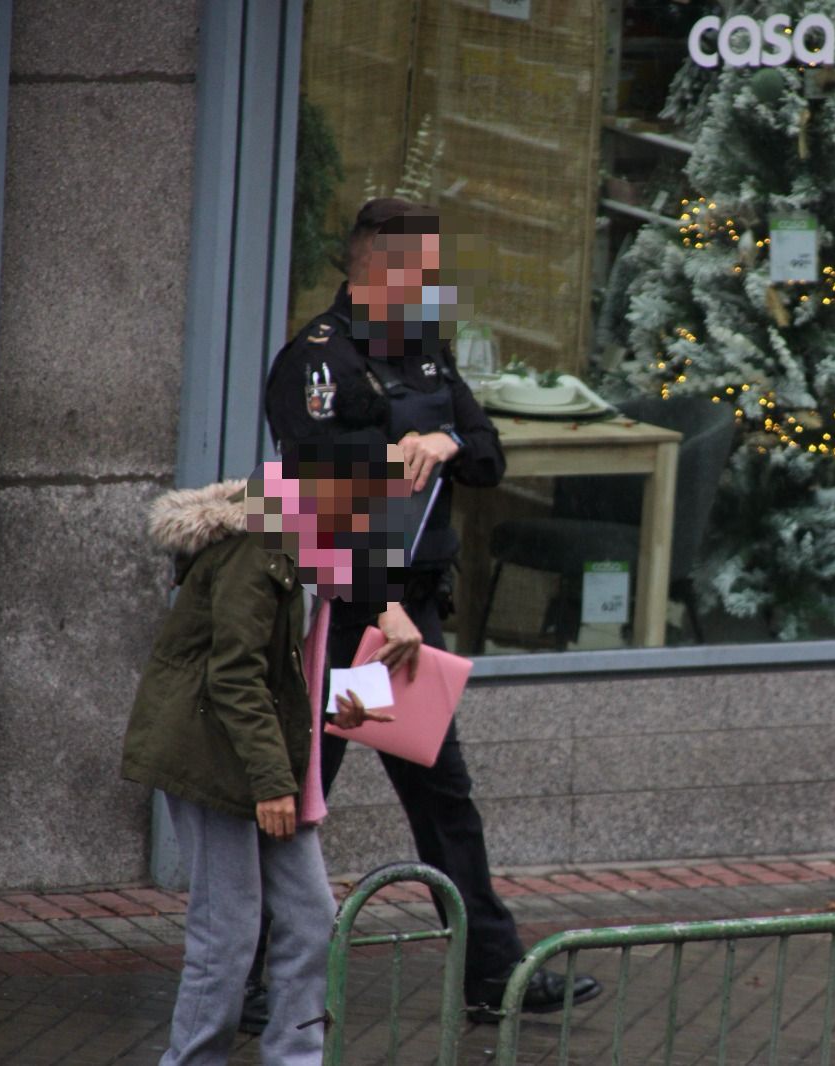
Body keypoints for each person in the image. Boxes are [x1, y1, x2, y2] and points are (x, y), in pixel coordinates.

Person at [258, 197, 600, 1023]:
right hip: (351, 621)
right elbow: (318, 497)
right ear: (377, 269)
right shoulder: (319, 362)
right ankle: (252, 979)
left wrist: (448, 442)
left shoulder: (426, 355)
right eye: (423, 272)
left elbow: (487, 455)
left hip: (406, 620)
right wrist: (380, 609)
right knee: (301, 798)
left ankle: (494, 975)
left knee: (441, 800)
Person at [121, 436, 401, 1065]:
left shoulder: (308, 552)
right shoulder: (259, 547)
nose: (367, 523)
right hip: (212, 751)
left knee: (308, 918)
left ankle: (295, 1060)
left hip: (261, 755)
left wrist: (338, 707)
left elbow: (289, 671)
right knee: (228, 932)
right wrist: (274, 783)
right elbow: (234, 677)